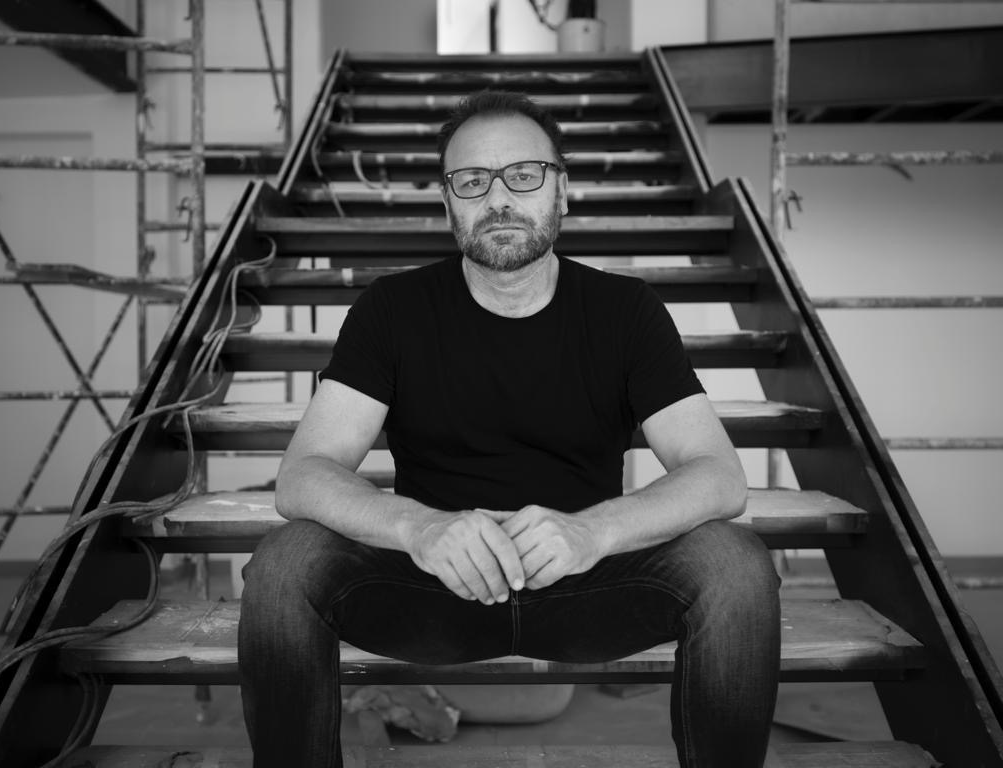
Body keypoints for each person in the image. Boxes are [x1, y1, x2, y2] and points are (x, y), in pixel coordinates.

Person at [239, 90, 781, 768]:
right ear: (448, 205)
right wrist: (418, 527)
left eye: (523, 174)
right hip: (433, 585)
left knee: (735, 565)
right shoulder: (392, 310)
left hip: (589, 583)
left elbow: (719, 476)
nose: (498, 198)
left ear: (561, 192)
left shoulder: (626, 311)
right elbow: (303, 474)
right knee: (284, 564)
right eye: (472, 181)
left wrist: (595, 530)